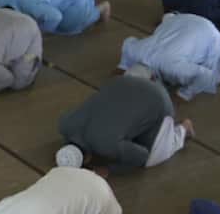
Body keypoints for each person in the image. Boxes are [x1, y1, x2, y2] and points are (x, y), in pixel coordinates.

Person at [55, 73, 192, 176]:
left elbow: (142, 156)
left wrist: (110, 169)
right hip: (129, 81)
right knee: (125, 131)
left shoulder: (105, 144)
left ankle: (184, 129)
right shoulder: (65, 125)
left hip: (159, 102)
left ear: (87, 159)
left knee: (151, 159)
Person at [119, 12, 220, 101]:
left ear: (152, 80)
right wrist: (122, 65)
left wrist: (185, 94)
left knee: (215, 77)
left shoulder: (173, 69)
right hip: (181, 20)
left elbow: (204, 75)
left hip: (210, 35)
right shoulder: (134, 52)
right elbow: (127, 43)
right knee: (167, 32)